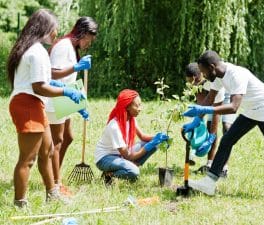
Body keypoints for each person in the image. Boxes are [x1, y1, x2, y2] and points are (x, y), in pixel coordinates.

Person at [183, 50, 264, 205]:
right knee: (227, 140)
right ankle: (210, 182)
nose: (203, 76)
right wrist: (197, 120)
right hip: (251, 111)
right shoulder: (216, 76)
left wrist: (206, 110)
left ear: (211, 67)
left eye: (203, 72)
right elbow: (210, 98)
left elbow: (234, 107)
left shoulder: (237, 74)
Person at [7, 9, 85, 207]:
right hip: (27, 104)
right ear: (43, 28)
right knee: (28, 159)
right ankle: (20, 203)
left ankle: (52, 193)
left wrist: (63, 86)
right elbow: (39, 86)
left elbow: (46, 79)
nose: (56, 33)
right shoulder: (36, 51)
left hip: (34, 103)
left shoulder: (32, 48)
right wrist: (66, 92)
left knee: (48, 151)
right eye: (53, 29)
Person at [45, 17, 98, 196]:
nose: (88, 44)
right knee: (57, 141)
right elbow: (51, 73)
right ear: (81, 33)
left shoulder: (72, 48)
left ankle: (54, 175)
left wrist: (80, 103)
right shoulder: (63, 46)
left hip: (64, 95)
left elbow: (68, 80)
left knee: (68, 137)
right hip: (53, 97)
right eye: (88, 40)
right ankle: (55, 184)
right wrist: (76, 67)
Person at [95, 89, 169, 184]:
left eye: (140, 105)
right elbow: (128, 156)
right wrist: (146, 148)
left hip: (120, 155)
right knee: (134, 172)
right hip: (105, 159)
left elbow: (142, 136)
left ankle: (130, 165)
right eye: (137, 105)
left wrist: (158, 138)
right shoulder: (114, 126)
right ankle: (109, 175)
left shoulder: (130, 119)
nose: (140, 108)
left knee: (153, 145)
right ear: (127, 106)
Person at [185, 63, 235, 177]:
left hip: (228, 94)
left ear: (196, 78)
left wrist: (211, 137)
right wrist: (197, 127)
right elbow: (202, 108)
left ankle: (224, 168)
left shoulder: (212, 80)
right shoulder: (197, 85)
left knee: (227, 128)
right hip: (213, 98)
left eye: (190, 82)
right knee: (209, 126)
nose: (190, 85)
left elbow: (216, 110)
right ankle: (209, 164)